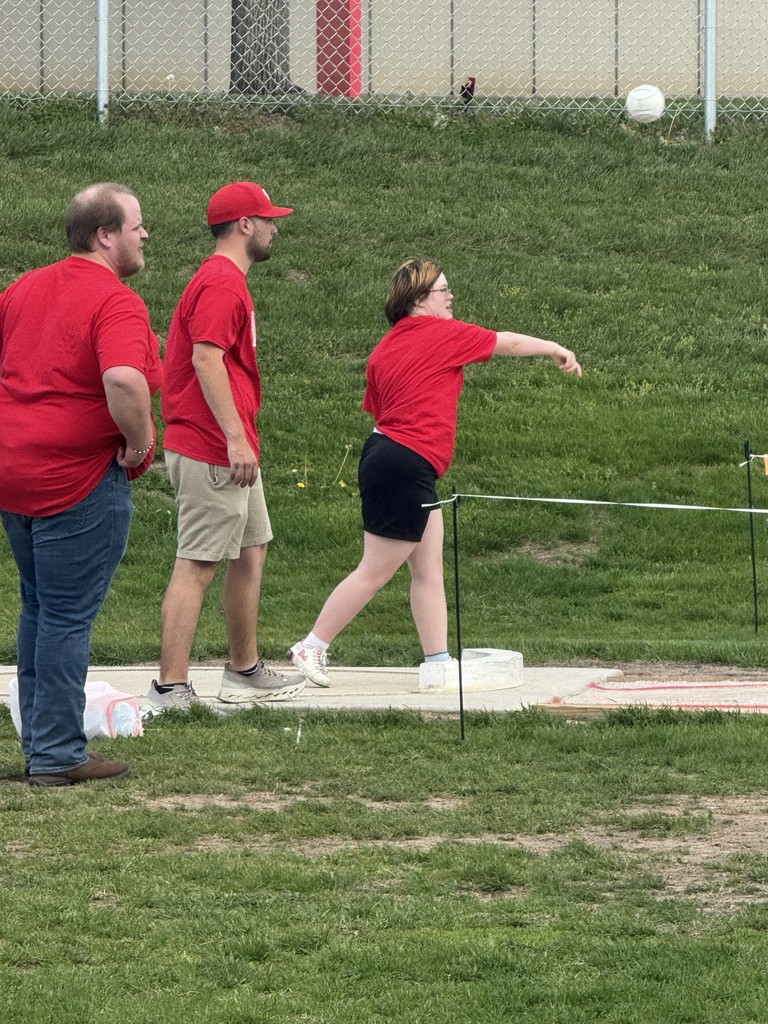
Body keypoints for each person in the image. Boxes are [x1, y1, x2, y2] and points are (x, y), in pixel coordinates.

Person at [288, 257, 582, 688]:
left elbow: (381, 409)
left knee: (428, 570)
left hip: (397, 460)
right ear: (420, 299)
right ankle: (312, 645)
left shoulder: (385, 348)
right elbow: (510, 343)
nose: (451, 297)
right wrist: (556, 348)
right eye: (444, 291)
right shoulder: (443, 334)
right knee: (375, 570)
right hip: (405, 463)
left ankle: (439, 663)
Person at [0, 183, 162, 785]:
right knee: (65, 617)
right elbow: (122, 380)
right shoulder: (115, 300)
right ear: (105, 234)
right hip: (76, 477)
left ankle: (40, 746)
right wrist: (141, 443)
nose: (146, 235)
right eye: (137, 225)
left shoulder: (22, 289)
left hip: (13, 475)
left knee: (39, 609)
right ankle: (58, 756)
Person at [145, 181, 305, 712]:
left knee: (252, 548)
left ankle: (243, 670)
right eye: (268, 219)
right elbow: (205, 360)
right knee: (197, 563)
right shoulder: (221, 283)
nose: (274, 227)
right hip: (213, 446)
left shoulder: (228, 280)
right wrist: (235, 438)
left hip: (233, 447)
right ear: (244, 225)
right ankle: (171, 688)